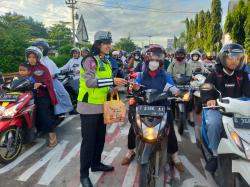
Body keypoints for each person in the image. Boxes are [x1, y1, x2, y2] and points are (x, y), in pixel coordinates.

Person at [121, 44, 185, 173]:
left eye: (157, 60)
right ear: (147, 60)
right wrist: (133, 89)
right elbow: (133, 86)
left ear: (161, 61)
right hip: (143, 106)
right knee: (134, 127)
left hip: (162, 106)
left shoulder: (165, 75)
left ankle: (174, 156)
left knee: (170, 128)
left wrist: (178, 93)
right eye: (152, 60)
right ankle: (130, 151)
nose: (154, 62)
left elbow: (172, 88)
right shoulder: (140, 75)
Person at [77, 31, 127, 187]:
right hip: (89, 108)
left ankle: (96, 164)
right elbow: (90, 82)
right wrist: (112, 80)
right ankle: (84, 175)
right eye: (105, 43)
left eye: (109, 43)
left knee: (99, 139)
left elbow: (103, 84)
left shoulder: (105, 61)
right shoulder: (90, 60)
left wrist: (114, 87)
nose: (108, 46)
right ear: (98, 44)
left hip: (102, 107)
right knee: (88, 142)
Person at [201, 43, 250, 172]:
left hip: (238, 110)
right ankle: (214, 154)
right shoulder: (214, 74)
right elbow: (206, 88)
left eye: (237, 58)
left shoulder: (242, 75)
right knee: (214, 123)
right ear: (223, 58)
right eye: (231, 57)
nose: (234, 61)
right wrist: (209, 99)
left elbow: (248, 91)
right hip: (217, 109)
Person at [25, 46, 58, 147]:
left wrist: (41, 83)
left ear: (38, 57)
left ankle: (53, 137)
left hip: (42, 95)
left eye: (33, 57)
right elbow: (20, 77)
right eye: (29, 57)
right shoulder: (26, 68)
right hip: (28, 95)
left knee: (44, 115)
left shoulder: (42, 68)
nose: (31, 59)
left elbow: (47, 80)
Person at [32, 40, 73, 116]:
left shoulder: (48, 60)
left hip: (53, 81)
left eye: (41, 48)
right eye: (37, 48)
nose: (39, 50)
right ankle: (58, 112)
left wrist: (54, 75)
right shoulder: (34, 60)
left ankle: (69, 109)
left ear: (45, 49)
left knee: (64, 94)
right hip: (42, 82)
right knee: (53, 95)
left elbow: (56, 71)